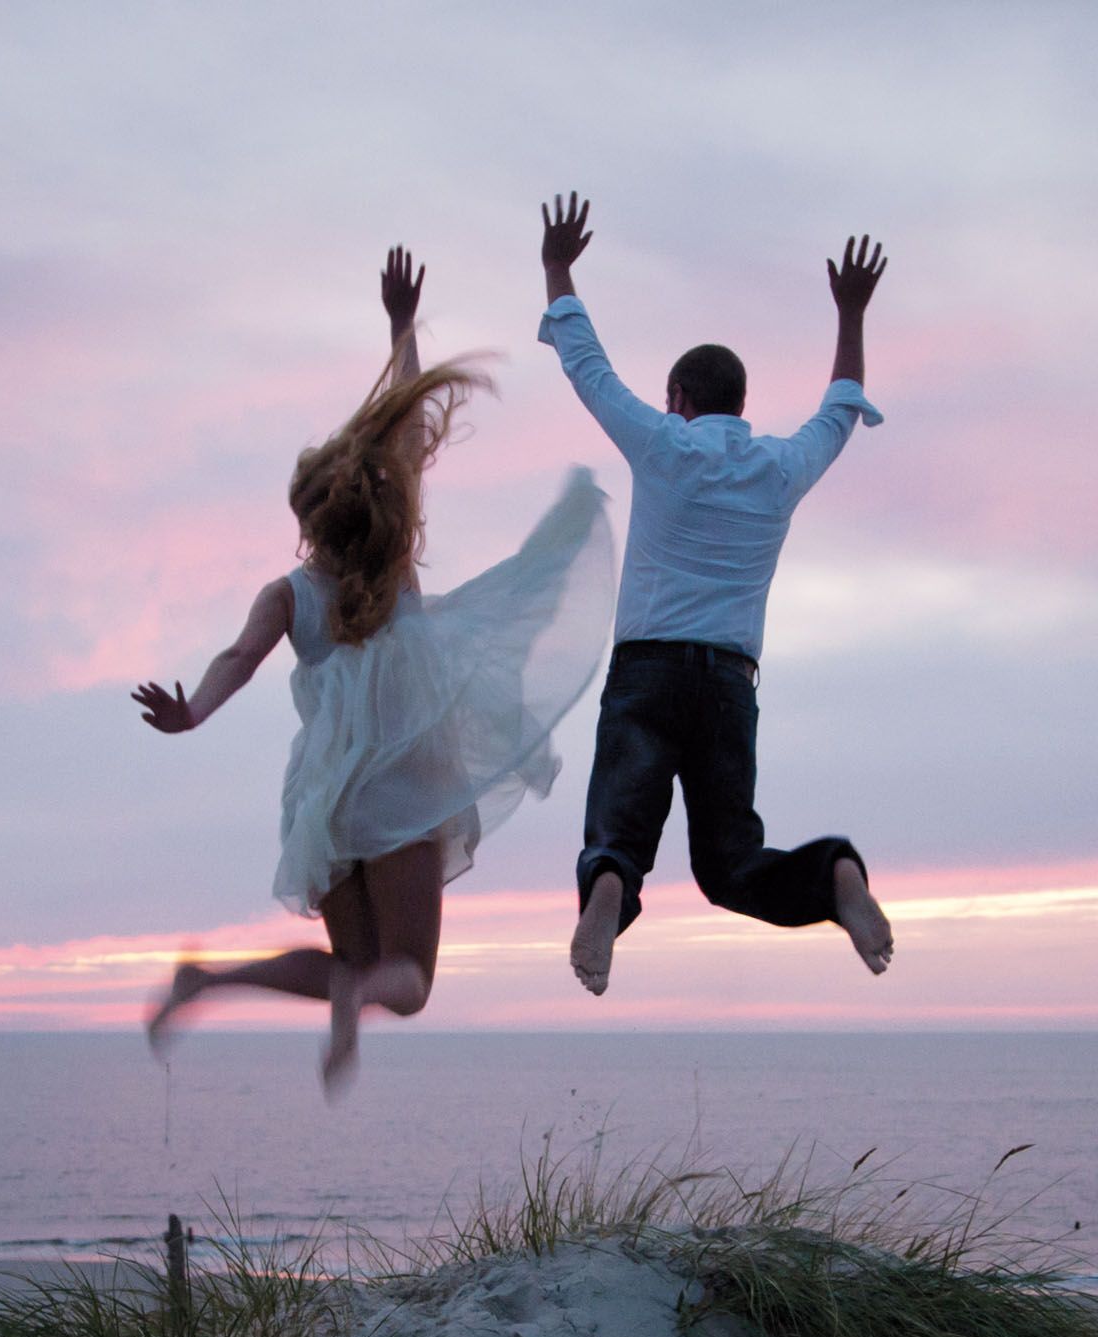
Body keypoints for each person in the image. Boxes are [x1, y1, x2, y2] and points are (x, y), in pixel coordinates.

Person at [135, 247, 615, 1092]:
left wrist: (193, 713)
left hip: (329, 801)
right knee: (408, 980)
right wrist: (401, 327)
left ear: (310, 514)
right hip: (405, 786)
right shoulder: (393, 574)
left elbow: (237, 659)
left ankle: (206, 981)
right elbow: (408, 433)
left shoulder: (287, 595)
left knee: (350, 958)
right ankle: (353, 1000)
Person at [534, 192, 896, 995]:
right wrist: (851, 312)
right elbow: (838, 414)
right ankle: (836, 877)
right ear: (741, 405)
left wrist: (558, 266)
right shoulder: (776, 469)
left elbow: (588, 368)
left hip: (648, 675)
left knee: (621, 828)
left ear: (678, 397)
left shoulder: (663, 445)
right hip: (730, 687)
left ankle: (607, 889)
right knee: (731, 864)